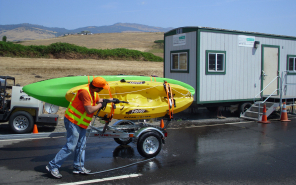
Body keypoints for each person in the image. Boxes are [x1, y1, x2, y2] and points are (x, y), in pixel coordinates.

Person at [46, 77, 112, 179]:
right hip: (73, 121)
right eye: (102, 88)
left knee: (81, 145)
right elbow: (89, 110)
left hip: (81, 123)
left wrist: (110, 100)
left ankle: (78, 167)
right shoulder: (85, 92)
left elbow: (99, 100)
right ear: (97, 88)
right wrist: (100, 105)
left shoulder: (93, 92)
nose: (102, 90)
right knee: (71, 146)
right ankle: (52, 166)